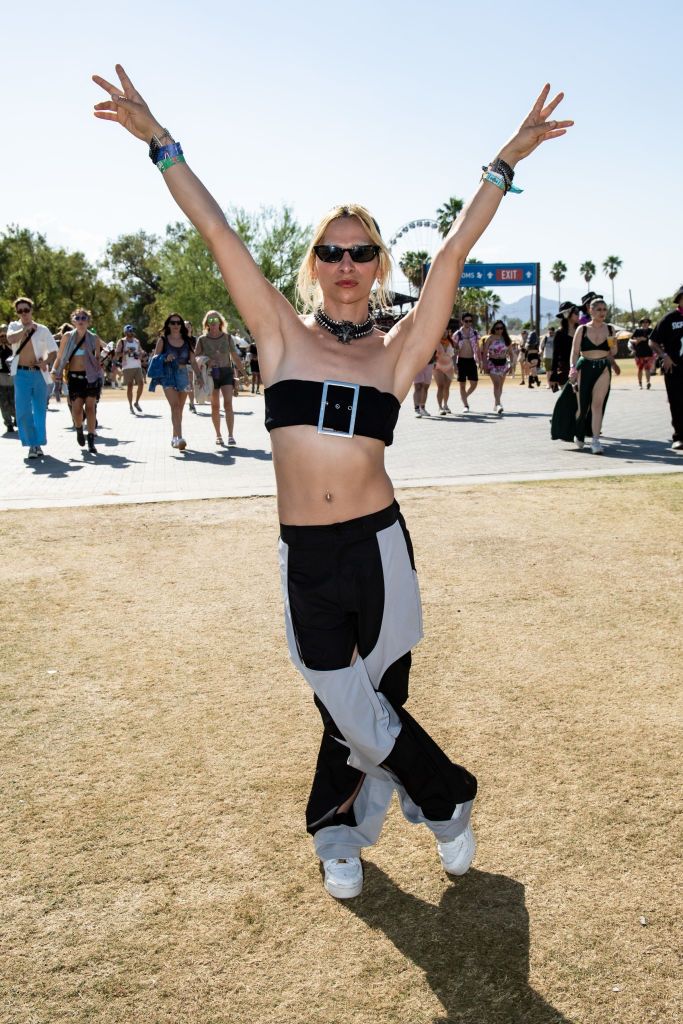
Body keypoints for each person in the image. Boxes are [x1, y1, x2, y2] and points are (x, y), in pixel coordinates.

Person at [93, 64, 571, 899]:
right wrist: (161, 145)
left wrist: (505, 160)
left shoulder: (397, 350)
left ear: (378, 264)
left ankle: (337, 837)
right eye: (329, 251)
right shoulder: (277, 334)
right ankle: (445, 796)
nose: (344, 263)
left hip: (379, 549)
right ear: (312, 265)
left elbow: (455, 248)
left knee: (366, 703)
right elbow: (219, 236)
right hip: (306, 554)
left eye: (360, 252)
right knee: (340, 696)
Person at [567, 297, 621, 453]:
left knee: (597, 404)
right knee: (582, 406)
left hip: (602, 367)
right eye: (598, 309)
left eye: (604, 309)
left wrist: (613, 343)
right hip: (584, 367)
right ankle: (579, 432)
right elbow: (575, 352)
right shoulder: (582, 329)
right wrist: (573, 368)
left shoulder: (610, 329)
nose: (602, 313)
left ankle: (596, 441)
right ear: (590, 311)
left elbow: (614, 352)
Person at [6, 297, 57, 459]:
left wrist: (46, 362)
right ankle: (31, 444)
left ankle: (37, 444)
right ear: (17, 313)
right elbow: (10, 339)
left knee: (39, 410)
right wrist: (26, 329)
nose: (24, 314)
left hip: (38, 374)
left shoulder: (42, 329)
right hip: (21, 374)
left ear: (31, 310)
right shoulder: (14, 327)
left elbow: (54, 352)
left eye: (26, 310)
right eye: (20, 311)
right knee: (22, 410)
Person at [52, 308, 105, 455]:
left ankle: (91, 439)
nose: (81, 320)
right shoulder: (67, 337)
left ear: (88, 321)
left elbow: (98, 358)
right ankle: (79, 429)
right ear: (73, 321)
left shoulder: (94, 338)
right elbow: (60, 356)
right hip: (74, 377)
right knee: (76, 410)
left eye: (84, 318)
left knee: (90, 408)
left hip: (91, 377)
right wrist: (55, 370)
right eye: (78, 318)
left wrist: (101, 364)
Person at [153, 313, 204, 450]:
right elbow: (155, 357)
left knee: (179, 409)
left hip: (183, 375)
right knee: (175, 406)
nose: (176, 325)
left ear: (181, 325)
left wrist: (199, 377)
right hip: (168, 375)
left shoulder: (187, 341)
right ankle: (180, 438)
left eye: (178, 323)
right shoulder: (163, 340)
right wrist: (164, 357)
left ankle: (174, 437)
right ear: (168, 325)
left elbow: (193, 361)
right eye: (172, 322)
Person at [195, 310, 245, 446]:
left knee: (228, 404)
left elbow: (235, 356)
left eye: (215, 320)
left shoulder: (227, 338)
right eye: (210, 321)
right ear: (207, 324)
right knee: (215, 406)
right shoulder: (202, 340)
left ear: (220, 322)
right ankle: (218, 435)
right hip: (211, 374)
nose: (213, 323)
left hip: (226, 372)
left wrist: (244, 373)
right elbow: (195, 358)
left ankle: (231, 435)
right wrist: (207, 361)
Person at [649, 285, 683, 452]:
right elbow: (652, 341)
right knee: (677, 402)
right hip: (674, 368)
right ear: (679, 299)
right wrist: (664, 356)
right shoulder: (669, 319)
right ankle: (679, 437)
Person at [482, 321, 512, 414]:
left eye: (501, 328)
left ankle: (496, 403)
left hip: (503, 364)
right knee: (497, 384)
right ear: (494, 329)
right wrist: (485, 364)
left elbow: (511, 353)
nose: (499, 330)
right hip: (492, 363)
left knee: (501, 385)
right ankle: (499, 404)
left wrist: (511, 364)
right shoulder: (490, 338)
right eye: (497, 328)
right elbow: (484, 352)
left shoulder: (506, 339)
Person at [451, 314, 481, 411]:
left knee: (474, 383)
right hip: (461, 361)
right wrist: (454, 364)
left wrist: (480, 361)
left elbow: (478, 348)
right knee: (462, 384)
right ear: (462, 321)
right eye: (466, 321)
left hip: (471, 360)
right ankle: (466, 405)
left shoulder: (475, 333)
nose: (468, 323)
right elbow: (454, 350)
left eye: (470, 321)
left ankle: (464, 397)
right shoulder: (457, 334)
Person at [116, 324, 145, 413]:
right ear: (125, 332)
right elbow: (117, 354)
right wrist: (125, 352)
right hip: (127, 366)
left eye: (132, 331)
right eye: (130, 331)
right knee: (130, 386)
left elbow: (141, 351)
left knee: (141, 383)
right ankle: (130, 406)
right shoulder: (121, 341)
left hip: (137, 365)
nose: (132, 332)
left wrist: (140, 354)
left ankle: (136, 402)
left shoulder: (137, 341)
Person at [550, 302, 578, 391]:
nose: (578, 314)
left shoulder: (582, 330)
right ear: (567, 314)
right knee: (568, 402)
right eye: (576, 312)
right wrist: (553, 375)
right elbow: (555, 355)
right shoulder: (559, 334)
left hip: (582, 370)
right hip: (565, 371)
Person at [629, 317, 654, 390]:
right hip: (639, 353)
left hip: (648, 353)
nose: (645, 324)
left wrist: (645, 339)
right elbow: (631, 339)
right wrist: (636, 340)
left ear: (649, 323)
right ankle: (640, 384)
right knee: (640, 369)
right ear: (641, 324)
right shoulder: (637, 331)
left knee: (647, 368)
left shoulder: (651, 331)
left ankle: (648, 382)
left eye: (646, 322)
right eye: (643, 322)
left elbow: (654, 339)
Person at [434, 329, 455, 414]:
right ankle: (440, 407)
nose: (444, 333)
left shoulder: (450, 342)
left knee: (447, 387)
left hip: (449, 366)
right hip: (438, 366)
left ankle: (445, 405)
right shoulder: (435, 342)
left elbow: (453, 355)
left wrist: (456, 366)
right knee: (440, 386)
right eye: (443, 331)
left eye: (446, 331)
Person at [0, 323, 17, 433]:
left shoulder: (15, 346)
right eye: (1, 336)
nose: (3, 338)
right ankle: (8, 423)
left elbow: (18, 355)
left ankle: (16, 418)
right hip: (1, 377)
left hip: (13, 376)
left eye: (5, 335)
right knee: (3, 402)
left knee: (14, 400)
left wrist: (9, 345)